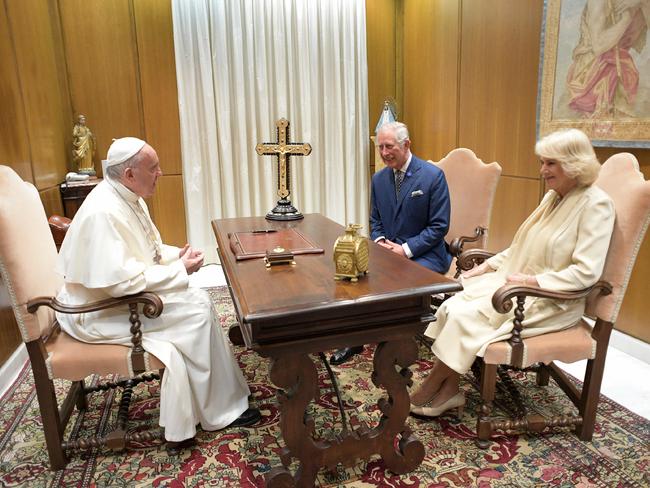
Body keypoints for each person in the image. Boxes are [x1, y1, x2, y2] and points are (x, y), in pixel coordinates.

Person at [56, 137, 260, 448]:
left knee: (199, 300)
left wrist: (176, 256)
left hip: (114, 300)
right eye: (153, 168)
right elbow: (120, 284)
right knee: (195, 313)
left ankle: (225, 396)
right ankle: (220, 411)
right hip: (96, 312)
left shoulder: (125, 196)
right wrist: (181, 271)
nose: (161, 173)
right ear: (129, 174)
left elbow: (141, 252)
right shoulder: (104, 212)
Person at [409, 129, 615, 417]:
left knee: (467, 316)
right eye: (542, 162)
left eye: (550, 163)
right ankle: (448, 390)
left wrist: (533, 281)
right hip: (521, 285)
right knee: (454, 304)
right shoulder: (554, 198)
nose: (542, 170)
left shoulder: (597, 206)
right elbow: (522, 245)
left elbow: (586, 273)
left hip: (553, 300)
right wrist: (488, 266)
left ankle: (432, 387)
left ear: (574, 163)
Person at [329, 121, 452, 365]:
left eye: (389, 147)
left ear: (406, 145)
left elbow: (439, 227)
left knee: (391, 281)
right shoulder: (379, 179)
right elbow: (375, 220)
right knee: (354, 276)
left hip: (425, 253)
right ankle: (354, 339)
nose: (384, 153)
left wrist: (405, 250)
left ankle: (393, 345)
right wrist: (381, 241)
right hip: (387, 251)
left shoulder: (432, 177)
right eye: (380, 147)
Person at [566, 0, 649, 118]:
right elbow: (599, 46)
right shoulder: (599, 2)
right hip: (593, 74)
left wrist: (643, 3)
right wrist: (626, 19)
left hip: (622, 71)